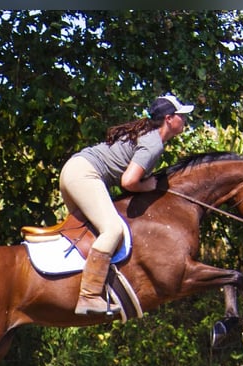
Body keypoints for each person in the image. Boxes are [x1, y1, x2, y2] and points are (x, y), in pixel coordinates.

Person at [60, 93, 194, 315]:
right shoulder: (154, 144)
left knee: (91, 233)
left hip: (74, 170)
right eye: (182, 116)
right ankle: (89, 295)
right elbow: (129, 181)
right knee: (112, 229)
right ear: (169, 119)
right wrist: (149, 186)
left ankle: (70, 286)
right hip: (84, 174)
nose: (186, 120)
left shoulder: (147, 135)